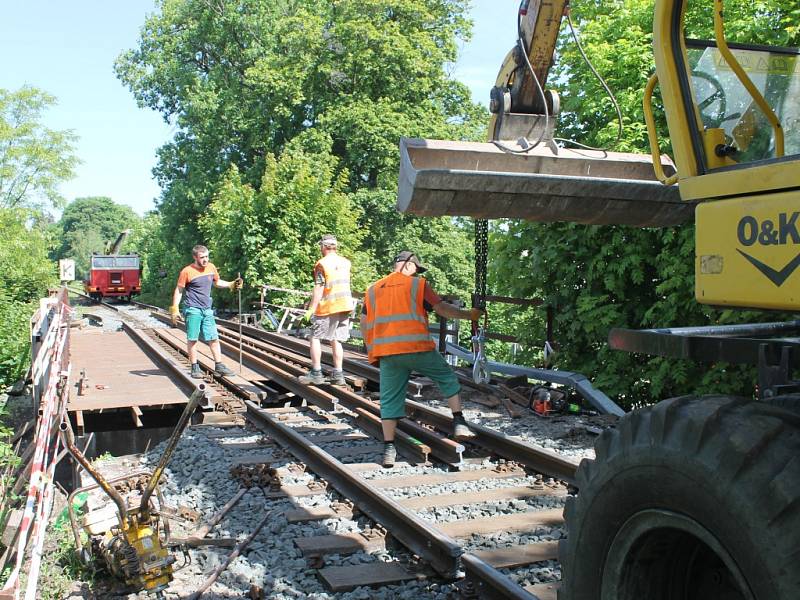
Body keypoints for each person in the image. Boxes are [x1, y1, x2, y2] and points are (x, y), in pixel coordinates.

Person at [362, 251, 485, 467]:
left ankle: (388, 448)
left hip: (389, 353)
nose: (416, 273)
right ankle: (459, 421)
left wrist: (373, 349)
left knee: (390, 400)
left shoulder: (372, 290)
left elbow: (364, 322)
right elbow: (442, 309)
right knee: (447, 377)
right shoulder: (417, 285)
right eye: (416, 269)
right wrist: (469, 315)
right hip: (417, 348)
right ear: (409, 266)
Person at [169, 245, 243, 379]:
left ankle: (219, 366)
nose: (205, 260)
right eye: (202, 257)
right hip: (193, 309)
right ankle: (194, 366)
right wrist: (174, 308)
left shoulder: (211, 267)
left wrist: (231, 284)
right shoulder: (187, 271)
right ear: (195, 257)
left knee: (213, 338)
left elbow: (217, 282)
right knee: (193, 339)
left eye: (207, 256)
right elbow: (179, 290)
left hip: (207, 309)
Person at [298, 234, 354, 386]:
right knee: (336, 339)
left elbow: (319, 287)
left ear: (323, 247)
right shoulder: (346, 262)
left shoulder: (322, 264)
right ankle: (338, 374)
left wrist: (311, 310)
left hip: (329, 306)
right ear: (335, 246)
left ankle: (316, 372)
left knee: (315, 337)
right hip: (345, 306)